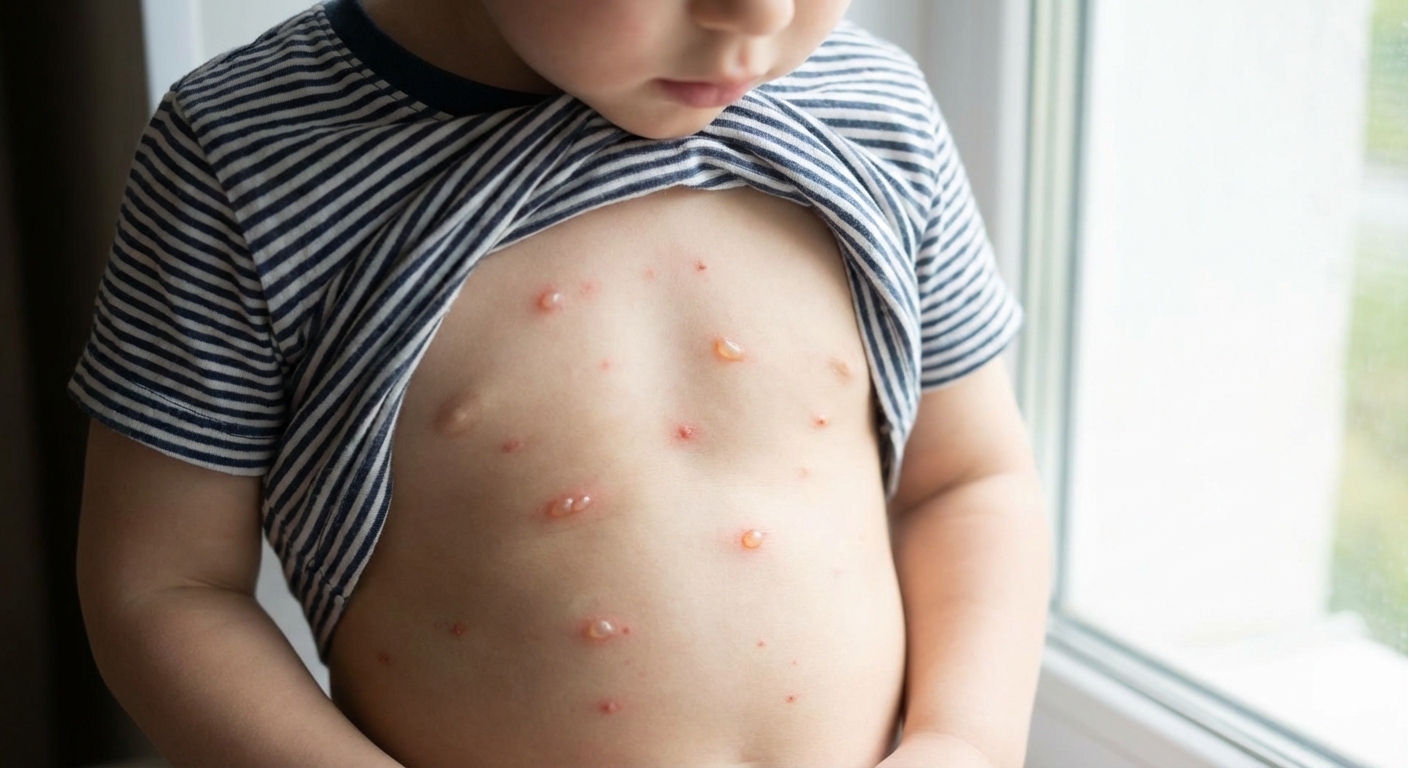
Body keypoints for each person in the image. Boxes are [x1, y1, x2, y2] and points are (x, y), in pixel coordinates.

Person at [71, 0, 1051, 765]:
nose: (757, 17)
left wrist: (962, 742)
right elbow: (164, 585)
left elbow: (965, 480)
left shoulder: (873, 113)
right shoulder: (249, 156)